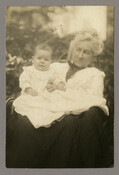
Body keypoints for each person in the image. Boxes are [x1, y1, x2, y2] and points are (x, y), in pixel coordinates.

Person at [6, 28, 113, 168]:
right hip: (47, 106)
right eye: (78, 49)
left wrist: (65, 91)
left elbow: (95, 99)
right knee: (24, 119)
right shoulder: (56, 66)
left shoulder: (95, 74)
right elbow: (33, 77)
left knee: (68, 123)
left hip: (75, 112)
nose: (80, 55)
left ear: (93, 57)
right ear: (71, 50)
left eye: (86, 52)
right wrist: (35, 89)